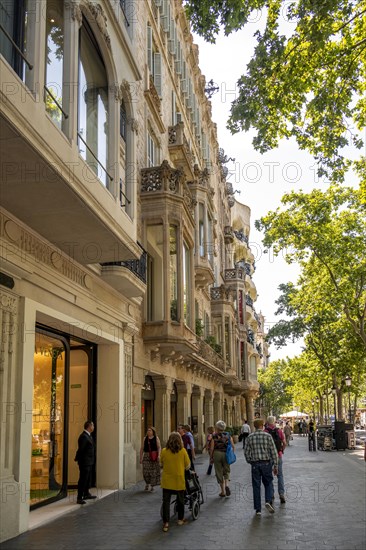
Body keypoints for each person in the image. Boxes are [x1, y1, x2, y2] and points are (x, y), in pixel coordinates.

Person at [244, 418, 278, 516]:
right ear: (262, 425)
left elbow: (246, 452)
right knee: (268, 483)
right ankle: (268, 500)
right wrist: (275, 465)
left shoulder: (250, 437)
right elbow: (273, 451)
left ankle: (258, 509)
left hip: (255, 464)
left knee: (256, 486)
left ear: (254, 426)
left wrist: (250, 460)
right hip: (266, 463)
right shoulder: (267, 436)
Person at [160, 431, 191, 532]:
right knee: (180, 500)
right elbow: (187, 466)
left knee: (166, 502)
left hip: (167, 480)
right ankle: (180, 519)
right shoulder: (183, 451)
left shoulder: (164, 451)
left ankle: (166, 523)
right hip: (179, 479)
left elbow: (161, 463)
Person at [209, 420, 234, 497]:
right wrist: (231, 453)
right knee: (227, 470)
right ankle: (227, 485)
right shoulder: (228, 435)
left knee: (218, 472)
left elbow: (211, 448)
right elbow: (233, 446)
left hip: (217, 454)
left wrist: (211, 457)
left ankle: (222, 491)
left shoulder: (214, 436)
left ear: (217, 427)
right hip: (225, 454)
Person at [265, 416, 286, 503]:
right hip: (278, 455)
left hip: (268, 456)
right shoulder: (279, 431)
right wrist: (281, 450)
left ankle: (271, 494)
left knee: (269, 475)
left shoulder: (265, 431)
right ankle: (281, 494)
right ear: (274, 422)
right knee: (280, 475)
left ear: (267, 422)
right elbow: (284, 442)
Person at [75, 420, 97, 505]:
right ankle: (79, 497)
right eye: (93, 426)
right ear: (89, 426)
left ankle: (86, 493)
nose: (93, 427)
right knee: (83, 479)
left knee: (87, 479)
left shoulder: (89, 436)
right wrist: (78, 459)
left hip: (89, 462)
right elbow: (81, 450)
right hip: (85, 462)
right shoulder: (83, 437)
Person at [140, 426, 161, 492]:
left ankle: (152, 486)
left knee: (153, 472)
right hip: (146, 456)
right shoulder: (145, 438)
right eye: (148, 430)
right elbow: (142, 448)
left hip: (154, 457)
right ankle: (147, 483)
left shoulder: (156, 438)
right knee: (145, 472)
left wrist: (159, 455)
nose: (148, 431)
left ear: (153, 432)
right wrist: (141, 458)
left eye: (150, 430)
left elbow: (159, 447)